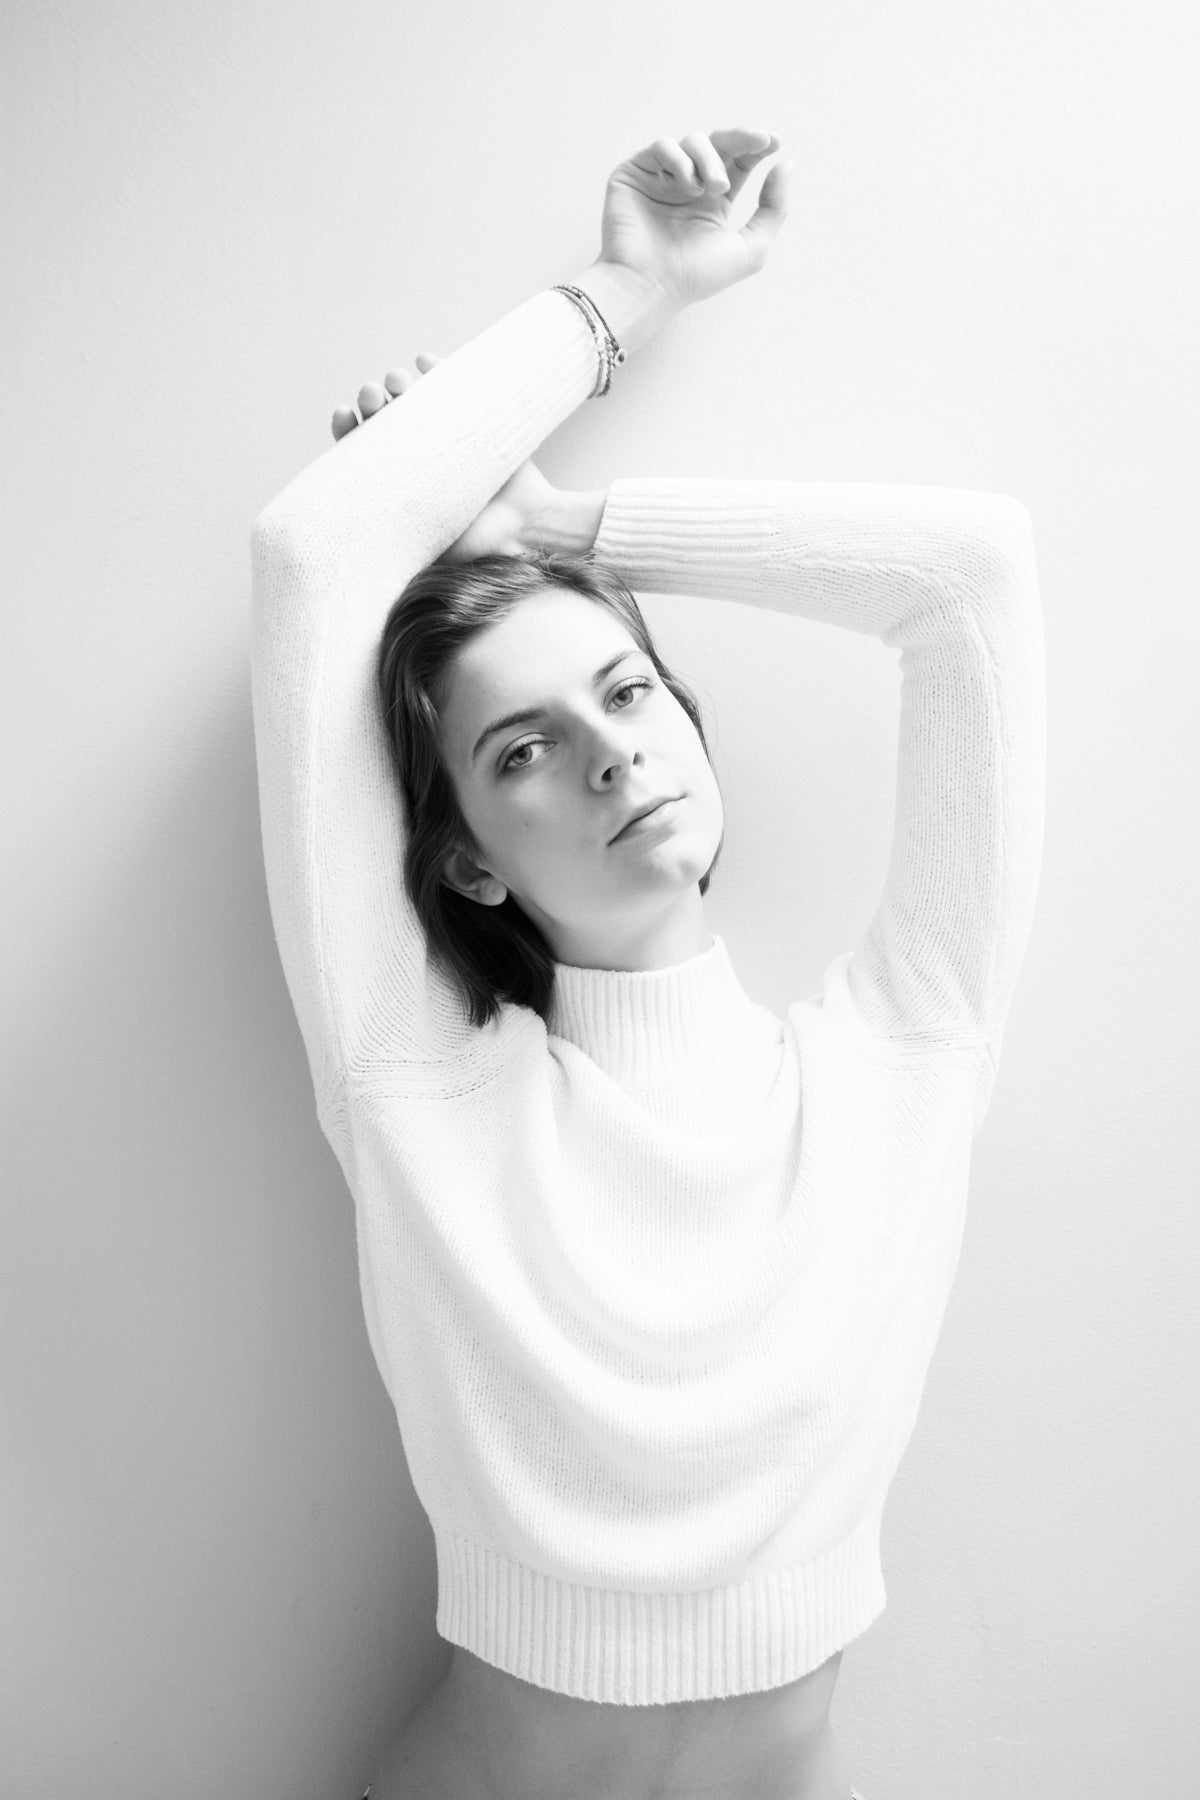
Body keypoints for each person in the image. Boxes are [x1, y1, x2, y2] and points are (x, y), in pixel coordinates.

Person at [250, 124, 1044, 1800]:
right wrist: (632, 292)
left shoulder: (902, 1055)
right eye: (520, 751)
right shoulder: (426, 1090)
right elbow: (316, 556)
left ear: (685, 720)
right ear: (462, 849)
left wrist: (569, 521)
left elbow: (969, 577)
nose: (611, 757)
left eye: (624, 694)